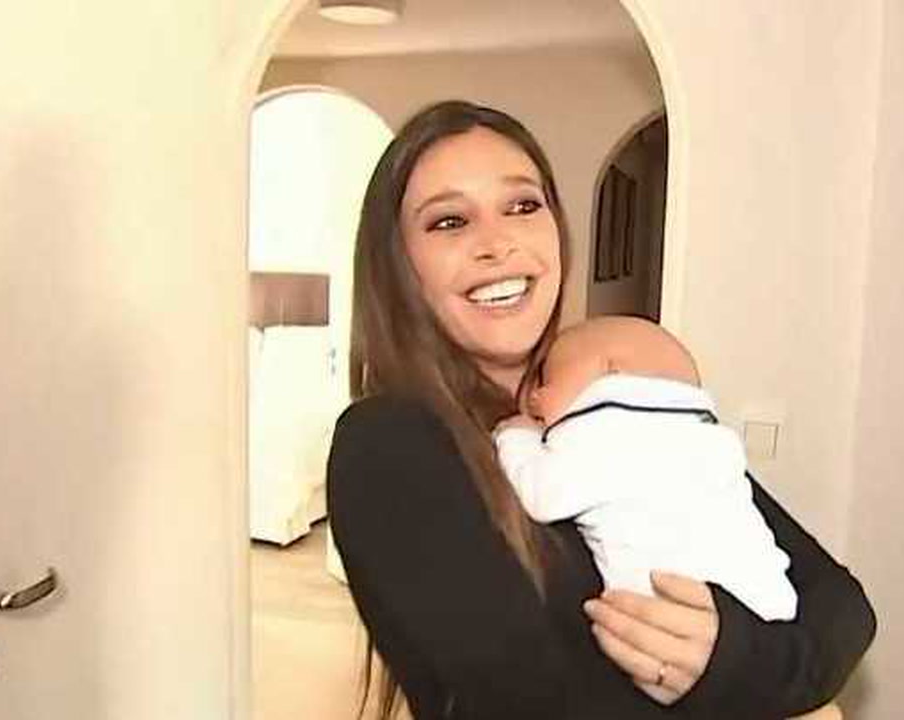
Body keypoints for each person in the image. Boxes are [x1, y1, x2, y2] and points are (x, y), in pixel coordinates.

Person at [327, 100, 875, 720]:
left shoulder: (612, 402)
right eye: (450, 221)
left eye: (523, 206)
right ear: (400, 267)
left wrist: (731, 660)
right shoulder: (388, 443)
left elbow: (841, 608)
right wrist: (773, 687)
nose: (497, 243)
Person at [494, 315, 798, 622]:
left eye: (548, 380)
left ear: (612, 376)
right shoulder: (712, 441)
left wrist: (517, 436)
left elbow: (541, 494)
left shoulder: (605, 438)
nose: (535, 398)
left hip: (661, 615)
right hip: (769, 597)